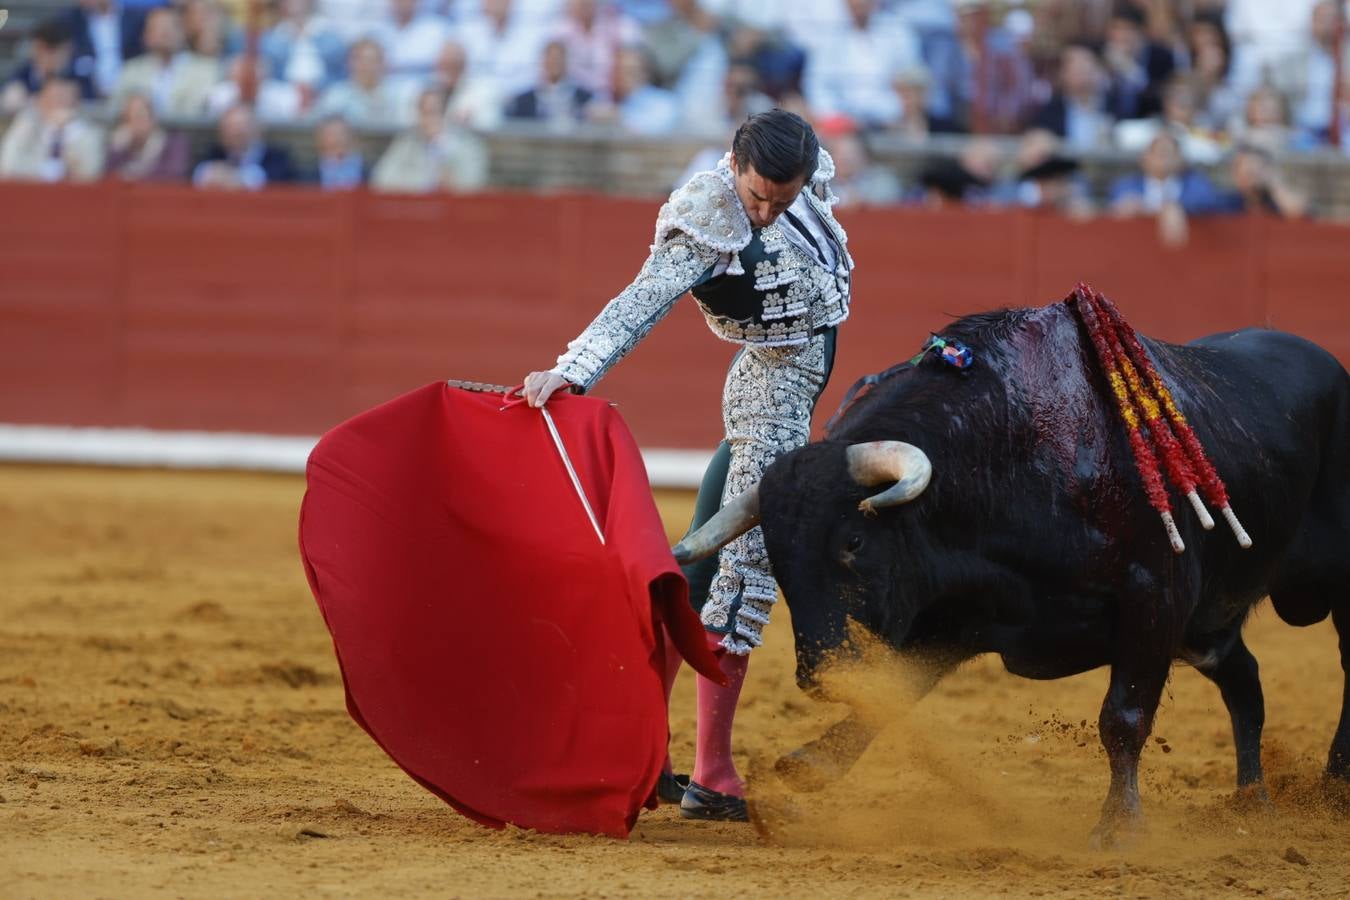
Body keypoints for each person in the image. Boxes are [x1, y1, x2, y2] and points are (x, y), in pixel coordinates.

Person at [520, 110, 852, 822]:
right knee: (744, 574)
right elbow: (639, 302)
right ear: (734, 164)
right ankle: (713, 774)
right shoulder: (705, 218)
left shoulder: (805, 172)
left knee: (699, 570)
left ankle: (641, 753)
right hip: (770, 390)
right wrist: (571, 371)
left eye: (781, 200)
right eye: (757, 195)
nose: (765, 212)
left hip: (790, 382)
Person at [105, 91, 191, 181]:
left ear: (152, 118)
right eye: (128, 119)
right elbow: (108, 178)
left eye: (139, 117)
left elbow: (174, 175)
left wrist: (134, 176)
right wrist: (117, 150)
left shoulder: (175, 143)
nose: (134, 124)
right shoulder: (121, 148)